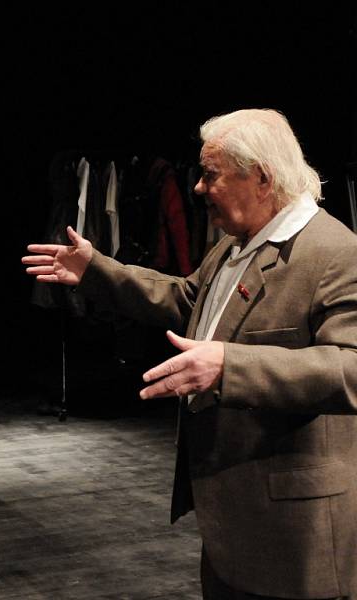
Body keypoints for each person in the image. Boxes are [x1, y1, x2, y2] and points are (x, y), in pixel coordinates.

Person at [23, 109, 357, 600]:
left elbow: (350, 366)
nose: (198, 189)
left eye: (211, 174)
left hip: (295, 533)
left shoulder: (334, 253)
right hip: (235, 522)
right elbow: (185, 299)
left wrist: (230, 365)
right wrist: (97, 270)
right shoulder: (234, 247)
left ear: (262, 178)